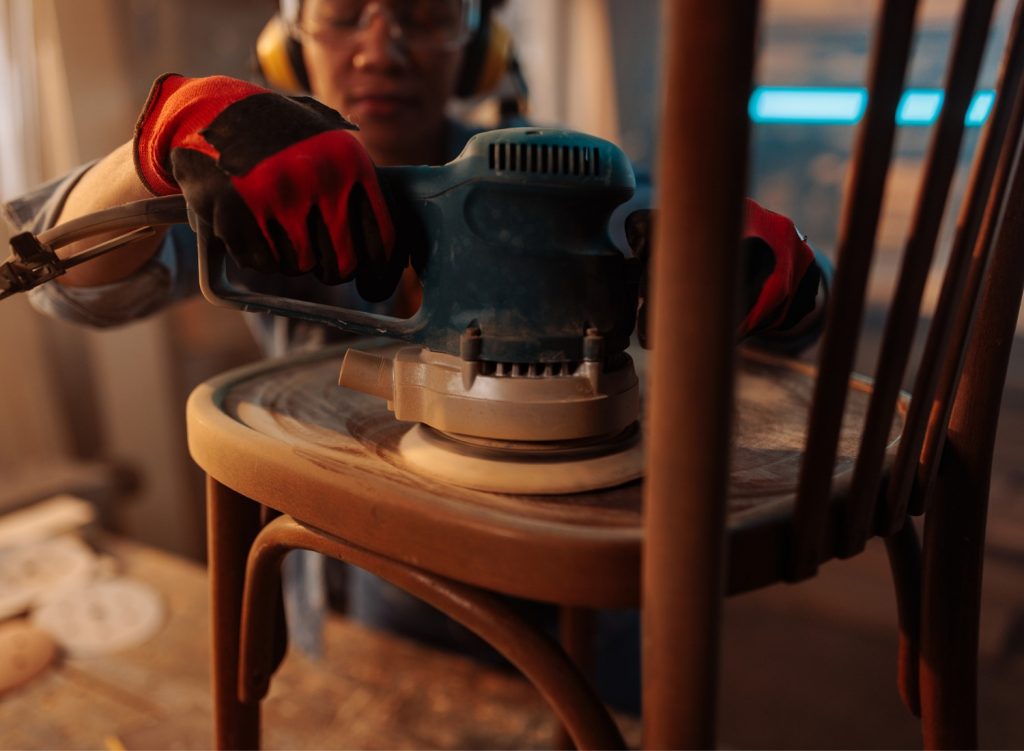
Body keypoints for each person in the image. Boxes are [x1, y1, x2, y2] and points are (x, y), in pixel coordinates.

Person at [3, 0, 829, 712]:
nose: (381, 47)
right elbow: (65, 283)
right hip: (350, 613)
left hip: (569, 625)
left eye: (427, 14)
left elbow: (782, 303)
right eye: (344, 13)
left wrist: (774, 272)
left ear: (476, 47)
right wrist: (166, 137)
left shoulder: (563, 183)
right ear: (288, 42)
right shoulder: (261, 184)